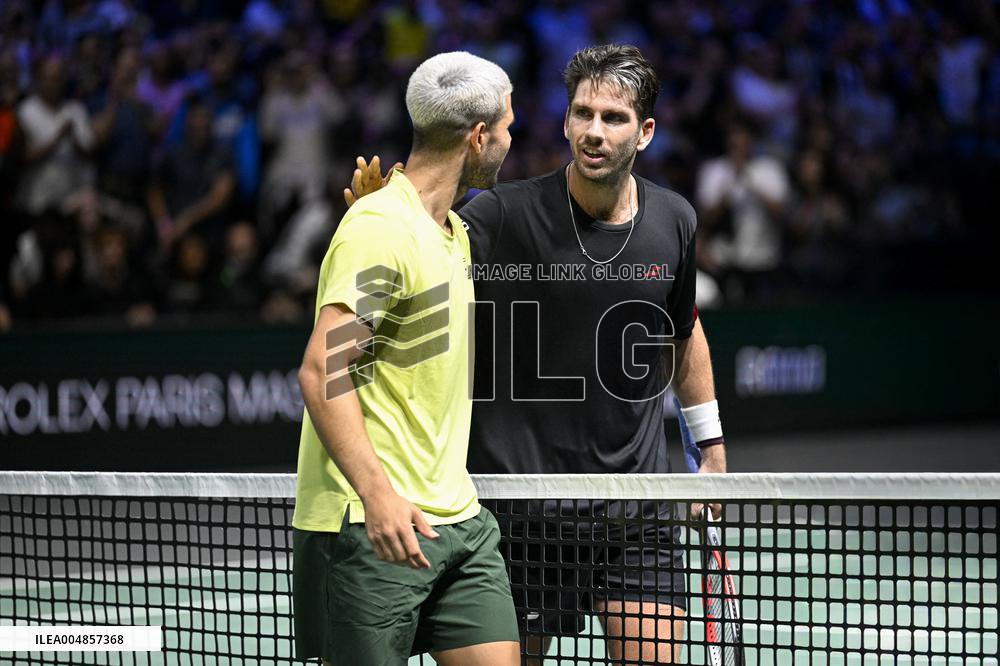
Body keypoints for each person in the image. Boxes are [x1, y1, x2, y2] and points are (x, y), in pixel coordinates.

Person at [348, 44, 729, 665]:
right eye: (582, 114)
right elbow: (418, 253)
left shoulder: (674, 220)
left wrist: (710, 451)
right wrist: (380, 215)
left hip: (636, 510)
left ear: (645, 132)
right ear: (566, 122)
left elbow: (682, 333)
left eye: (614, 118)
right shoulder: (502, 214)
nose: (594, 131)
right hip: (522, 512)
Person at [292, 52, 520, 666]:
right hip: (373, 523)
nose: (511, 140)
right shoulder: (381, 228)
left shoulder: (450, 231)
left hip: (459, 521)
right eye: (507, 128)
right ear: (478, 137)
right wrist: (378, 496)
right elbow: (323, 370)